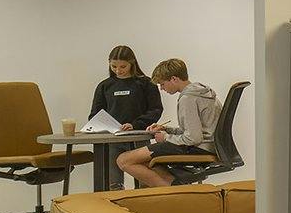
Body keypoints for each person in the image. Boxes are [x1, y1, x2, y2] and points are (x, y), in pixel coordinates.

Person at [117, 58, 219, 189]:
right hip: (207, 146)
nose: (161, 88)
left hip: (198, 147)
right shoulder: (203, 92)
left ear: (174, 79)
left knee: (124, 160)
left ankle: (176, 191)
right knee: (144, 162)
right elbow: (195, 130)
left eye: (162, 84)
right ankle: (175, 186)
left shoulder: (188, 98)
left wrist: (165, 137)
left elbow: (194, 138)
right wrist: (167, 129)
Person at [90, 45, 162, 187]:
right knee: (113, 184)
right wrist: (106, 126)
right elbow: (95, 114)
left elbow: (156, 109)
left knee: (145, 183)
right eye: (114, 66)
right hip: (113, 140)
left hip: (139, 137)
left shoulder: (146, 84)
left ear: (132, 63)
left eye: (123, 66)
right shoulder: (104, 86)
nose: (118, 70)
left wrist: (135, 124)